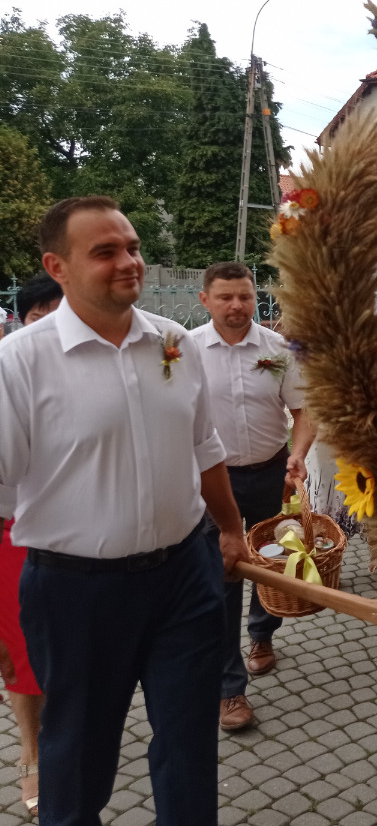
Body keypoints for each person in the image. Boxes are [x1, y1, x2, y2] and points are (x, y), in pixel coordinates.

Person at [0, 196, 248, 826]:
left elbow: (204, 446)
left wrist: (229, 528)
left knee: (189, 743)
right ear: (57, 267)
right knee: (78, 752)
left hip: (184, 578)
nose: (128, 262)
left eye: (132, 247)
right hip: (75, 592)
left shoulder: (173, 342)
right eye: (105, 252)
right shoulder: (20, 361)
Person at [192, 262, 315, 731]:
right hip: (211, 482)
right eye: (225, 297)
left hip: (270, 474)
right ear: (205, 300)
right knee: (224, 574)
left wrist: (298, 454)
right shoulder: (184, 353)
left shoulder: (279, 349)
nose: (236, 306)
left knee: (269, 561)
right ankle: (230, 688)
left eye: (244, 296)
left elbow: (303, 410)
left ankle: (263, 632)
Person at [0, 272, 63, 816]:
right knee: (19, 650)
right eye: (39, 317)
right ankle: (31, 751)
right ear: (22, 322)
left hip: (75, 530)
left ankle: (74, 737)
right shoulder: (7, 369)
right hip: (10, 530)